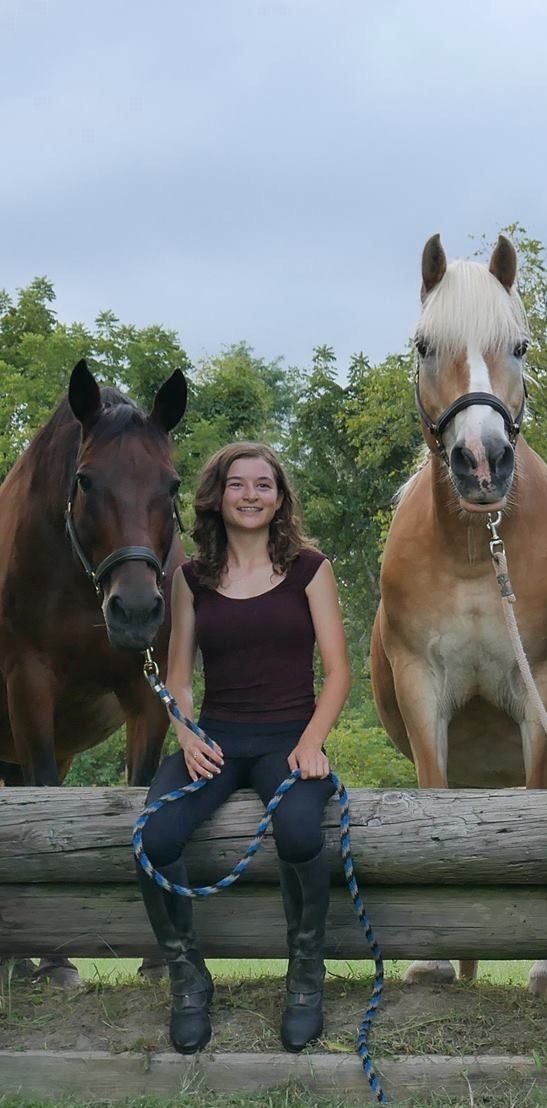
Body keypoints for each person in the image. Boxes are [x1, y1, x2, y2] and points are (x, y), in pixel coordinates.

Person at [137, 442, 350, 1055]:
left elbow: (338, 673)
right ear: (218, 497)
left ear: (279, 497)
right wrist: (184, 729)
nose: (251, 495)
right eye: (238, 484)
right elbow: (178, 675)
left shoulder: (310, 568)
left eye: (263, 484)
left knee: (302, 833)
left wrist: (313, 742)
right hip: (219, 738)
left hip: (290, 739)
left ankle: (306, 976)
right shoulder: (190, 578)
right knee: (154, 838)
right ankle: (187, 978)